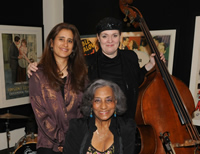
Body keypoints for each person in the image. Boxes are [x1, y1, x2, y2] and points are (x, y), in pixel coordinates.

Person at [27, 17, 164, 119]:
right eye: (105, 36)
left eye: (114, 35)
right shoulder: (87, 62)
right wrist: (38, 67)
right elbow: (62, 67)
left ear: (120, 37)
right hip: (99, 125)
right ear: (98, 38)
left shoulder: (131, 57)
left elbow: (136, 80)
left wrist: (150, 65)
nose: (110, 40)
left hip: (127, 122)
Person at [29, 22, 88, 154]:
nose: (65, 44)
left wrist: (74, 138)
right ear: (52, 43)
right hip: (48, 142)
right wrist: (61, 139)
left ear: (74, 47)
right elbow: (41, 114)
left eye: (70, 41)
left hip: (75, 142)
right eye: (61, 39)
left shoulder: (80, 74)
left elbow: (83, 110)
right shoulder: (37, 74)